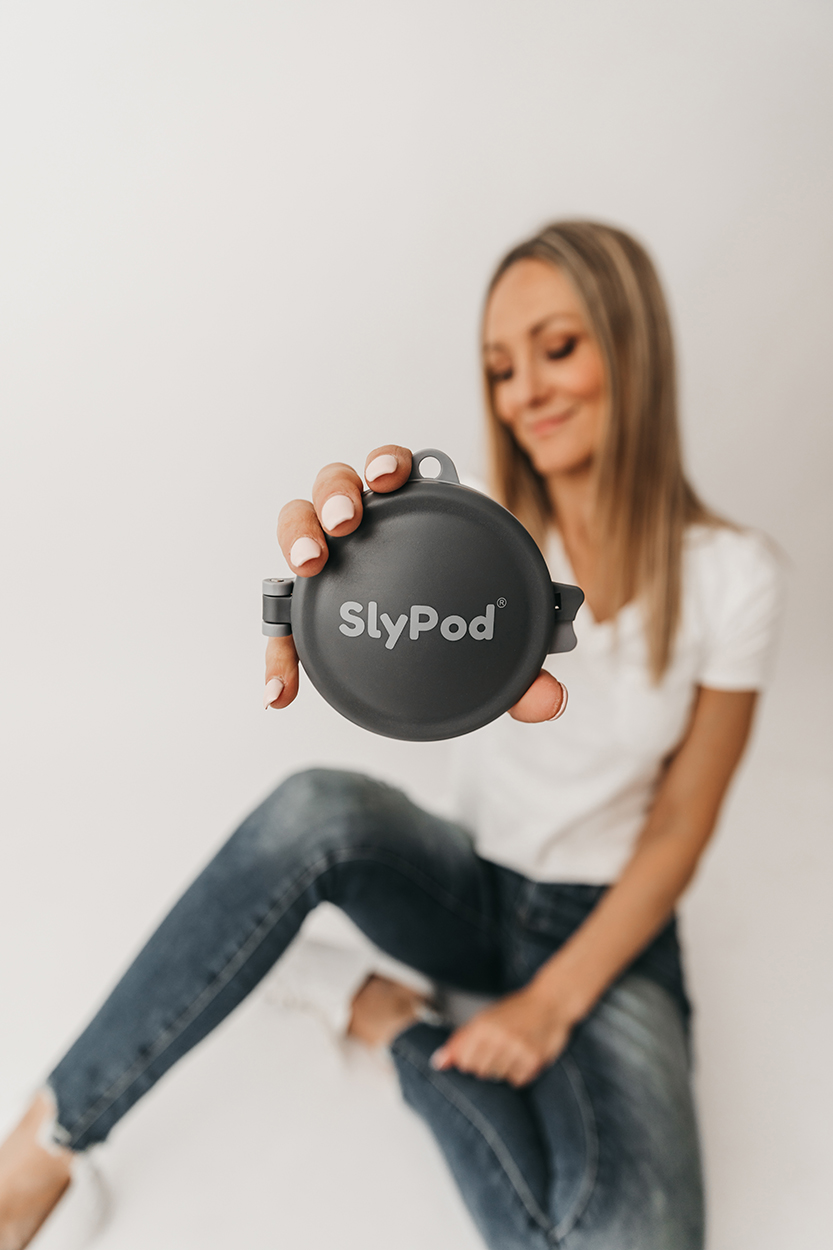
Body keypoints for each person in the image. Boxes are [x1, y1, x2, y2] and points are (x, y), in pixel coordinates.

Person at [0, 221, 782, 1250]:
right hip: (461, 886)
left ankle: (386, 1018)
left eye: (557, 347)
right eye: (499, 367)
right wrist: (319, 589)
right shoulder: (474, 543)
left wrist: (549, 1003)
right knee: (314, 804)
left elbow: (681, 822)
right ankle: (35, 1155)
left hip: (605, 929)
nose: (523, 393)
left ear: (633, 350)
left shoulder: (733, 574)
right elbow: (367, 589)